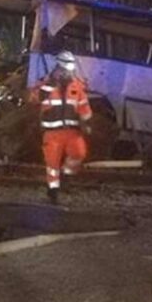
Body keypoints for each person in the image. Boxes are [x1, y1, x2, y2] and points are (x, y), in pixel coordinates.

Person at [33, 50, 93, 205]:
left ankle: (66, 175)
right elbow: (35, 98)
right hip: (52, 133)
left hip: (72, 131)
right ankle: (53, 191)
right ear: (58, 68)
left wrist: (87, 123)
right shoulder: (47, 86)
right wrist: (48, 86)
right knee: (52, 164)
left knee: (79, 153)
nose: (68, 73)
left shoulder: (77, 87)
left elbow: (83, 107)